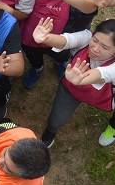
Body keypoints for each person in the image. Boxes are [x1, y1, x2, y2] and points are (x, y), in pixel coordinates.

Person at [21, 0, 97, 89]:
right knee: (33, 56)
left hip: (58, 40)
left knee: (60, 56)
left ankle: (60, 64)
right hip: (29, 38)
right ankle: (37, 69)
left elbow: (91, 5)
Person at [33, 19, 115, 147]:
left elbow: (104, 73)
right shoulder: (87, 37)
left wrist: (83, 79)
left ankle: (113, 126)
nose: (95, 48)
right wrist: (45, 38)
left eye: (104, 47)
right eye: (95, 40)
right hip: (72, 88)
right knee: (56, 120)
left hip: (109, 96)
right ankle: (51, 131)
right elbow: (67, 40)